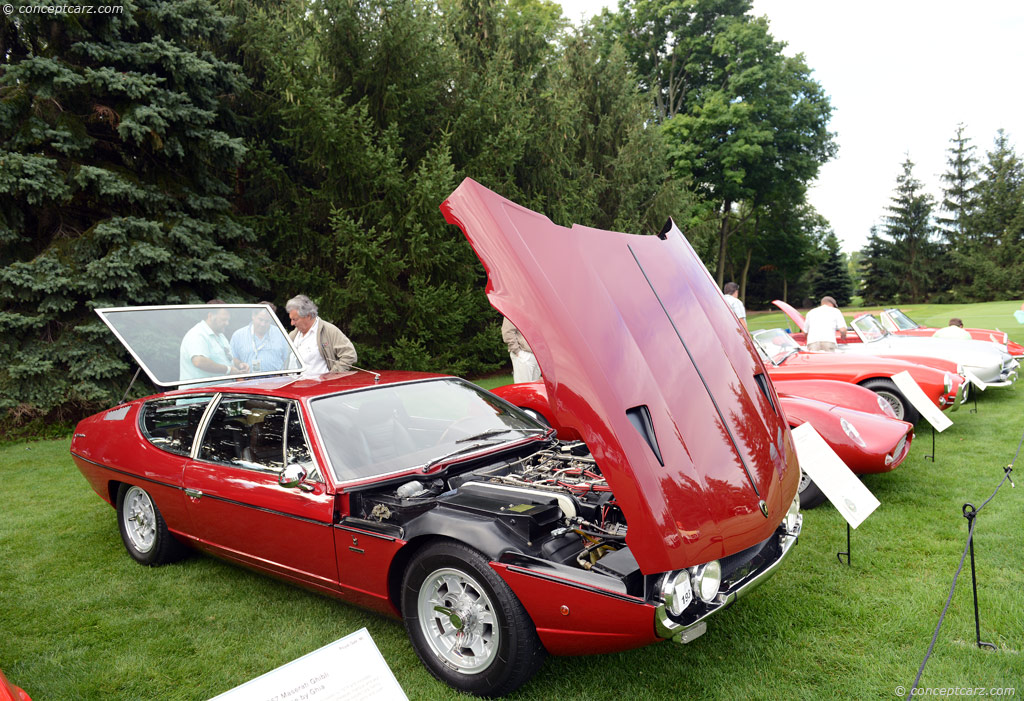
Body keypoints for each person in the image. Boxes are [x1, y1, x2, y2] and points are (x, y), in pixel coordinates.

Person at [179, 300, 249, 381]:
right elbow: (199, 361)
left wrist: (240, 365)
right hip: (200, 392)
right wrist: (228, 370)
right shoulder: (197, 334)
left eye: (228, 320)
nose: (227, 323)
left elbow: (228, 358)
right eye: (223, 319)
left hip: (220, 390)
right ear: (210, 316)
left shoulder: (220, 335)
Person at [285, 294, 357, 375]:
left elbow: (349, 354)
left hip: (319, 386)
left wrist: (332, 376)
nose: (292, 323)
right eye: (291, 319)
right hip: (292, 385)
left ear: (308, 316)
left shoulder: (329, 331)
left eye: (295, 319)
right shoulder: (293, 335)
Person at [230, 302, 290, 372]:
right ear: (253, 316)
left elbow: (287, 358)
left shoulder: (280, 333)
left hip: (276, 379)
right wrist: (240, 364)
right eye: (260, 319)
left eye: (267, 321)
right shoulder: (238, 335)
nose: (263, 324)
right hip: (249, 380)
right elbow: (232, 359)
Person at [502, 317, 541, 383]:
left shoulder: (536, 310)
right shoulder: (513, 309)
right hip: (523, 354)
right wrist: (517, 351)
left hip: (537, 355)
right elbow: (507, 331)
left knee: (535, 389)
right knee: (523, 388)